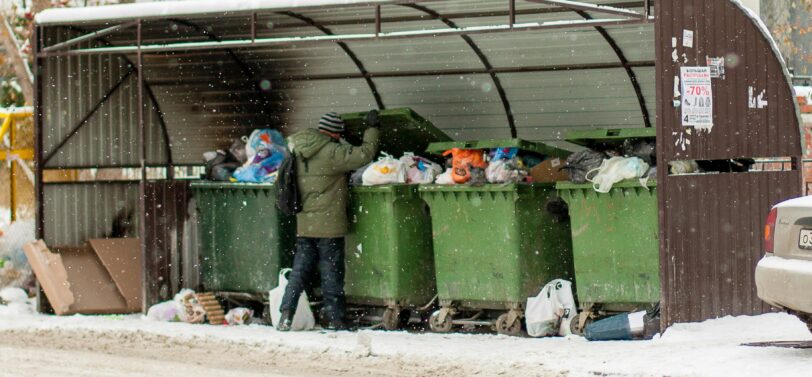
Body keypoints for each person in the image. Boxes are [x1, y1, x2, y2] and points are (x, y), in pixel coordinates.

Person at [278, 110, 380, 331]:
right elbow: (365, 154)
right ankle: (336, 319)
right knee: (332, 273)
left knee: (299, 272)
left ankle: (286, 315)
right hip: (329, 224)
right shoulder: (332, 152)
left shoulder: (298, 149)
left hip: (305, 223)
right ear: (335, 133)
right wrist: (371, 129)